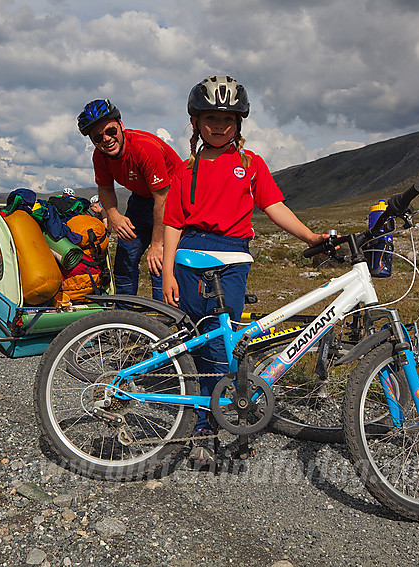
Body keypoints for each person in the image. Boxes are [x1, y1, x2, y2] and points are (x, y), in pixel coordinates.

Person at [162, 76, 328, 467]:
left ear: (238, 123)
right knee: (198, 342)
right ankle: (203, 426)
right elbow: (172, 223)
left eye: (227, 119)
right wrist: (167, 272)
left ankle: (228, 420)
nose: (219, 126)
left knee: (227, 345)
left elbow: (274, 207)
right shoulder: (186, 169)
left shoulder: (252, 165)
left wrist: (308, 237)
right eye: (210, 118)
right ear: (195, 122)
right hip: (188, 262)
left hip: (233, 261)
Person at [77, 99, 181, 301]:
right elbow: (105, 188)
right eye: (98, 137)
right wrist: (114, 216)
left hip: (172, 199)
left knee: (158, 263)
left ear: (121, 125)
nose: (106, 139)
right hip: (142, 199)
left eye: (111, 131)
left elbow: (162, 197)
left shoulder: (144, 148)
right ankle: (123, 320)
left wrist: (157, 244)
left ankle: (165, 321)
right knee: (125, 260)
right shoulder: (100, 156)